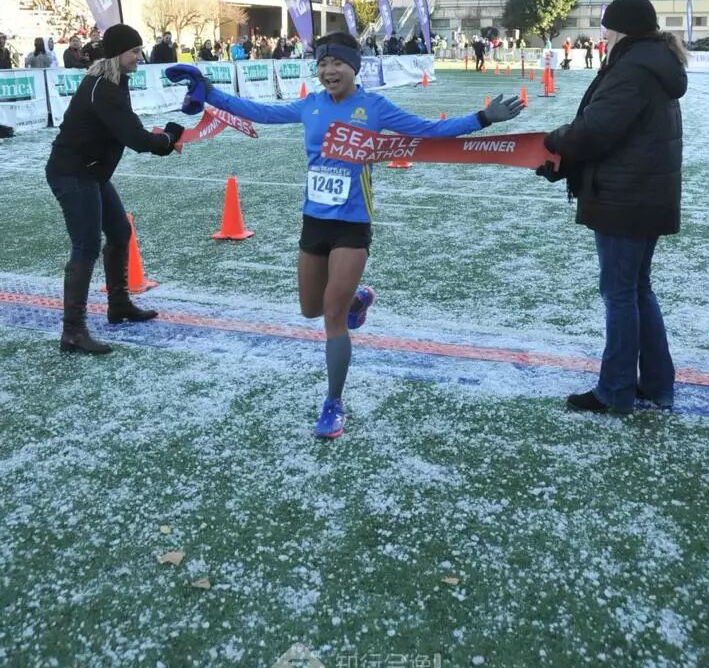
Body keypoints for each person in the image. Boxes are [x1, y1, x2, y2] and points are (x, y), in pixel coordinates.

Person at [167, 31, 524, 438]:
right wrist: (210, 92)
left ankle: (333, 402)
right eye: (322, 64)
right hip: (314, 220)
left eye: (337, 63)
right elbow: (260, 111)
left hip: (353, 223)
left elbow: (426, 130)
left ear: (354, 67)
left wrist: (482, 118)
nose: (329, 71)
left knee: (332, 318)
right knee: (311, 309)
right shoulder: (311, 104)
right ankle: (356, 297)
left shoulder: (374, 107)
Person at [536, 0, 687, 414]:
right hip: (644, 193)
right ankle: (656, 384)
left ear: (620, 29)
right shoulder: (653, 62)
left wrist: (555, 141)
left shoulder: (632, 68)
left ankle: (615, 390)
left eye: (607, 27)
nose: (603, 34)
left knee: (620, 293)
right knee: (637, 289)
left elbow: (594, 131)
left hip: (626, 197)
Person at [45, 24, 184, 355]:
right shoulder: (104, 89)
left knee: (120, 231)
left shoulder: (113, 82)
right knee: (86, 246)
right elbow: (135, 138)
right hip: (73, 173)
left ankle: (118, 304)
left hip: (91, 172)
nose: (139, 57)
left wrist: (164, 139)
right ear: (118, 53)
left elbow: (130, 130)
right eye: (134, 51)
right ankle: (72, 331)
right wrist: (168, 138)